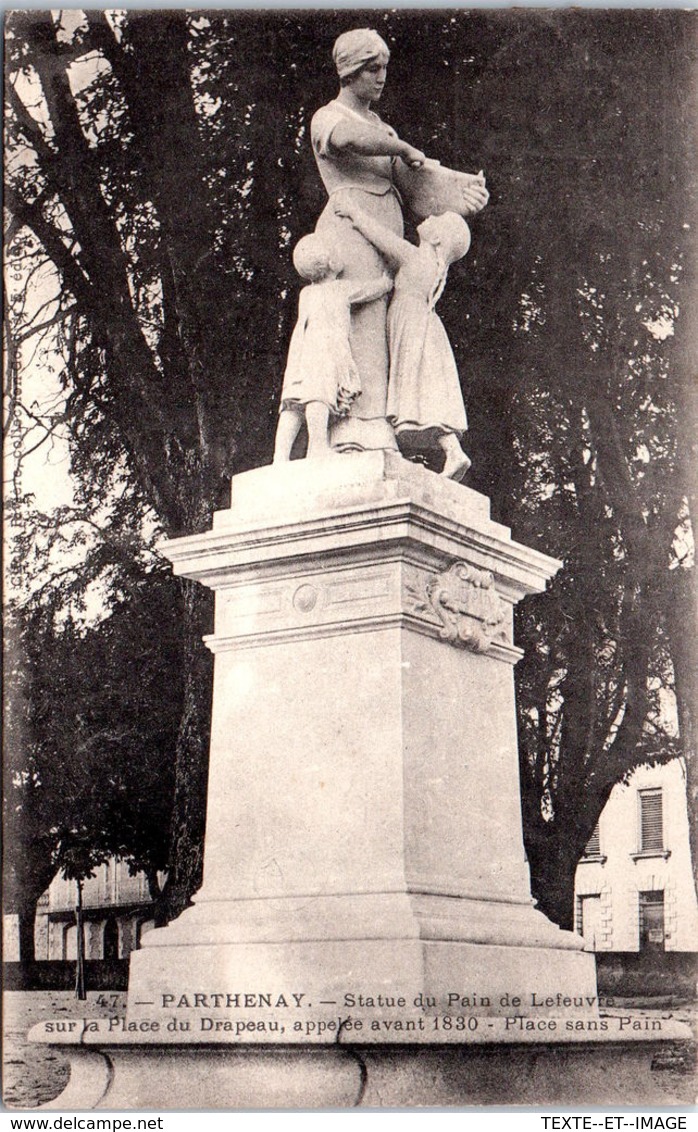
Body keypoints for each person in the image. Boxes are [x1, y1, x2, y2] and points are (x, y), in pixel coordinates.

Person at [310, 29, 488, 451]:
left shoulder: (383, 129)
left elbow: (419, 188)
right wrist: (401, 146)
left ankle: (377, 429)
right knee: (361, 321)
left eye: (384, 68)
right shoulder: (329, 116)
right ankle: (350, 428)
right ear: (350, 70)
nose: (381, 77)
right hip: (349, 228)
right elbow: (348, 140)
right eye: (373, 68)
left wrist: (461, 195)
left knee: (383, 328)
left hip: (386, 232)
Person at [333, 197, 473, 481]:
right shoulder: (430, 265)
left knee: (418, 389)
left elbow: (381, 237)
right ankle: (453, 450)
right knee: (425, 392)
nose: (428, 218)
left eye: (436, 218)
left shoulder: (416, 257)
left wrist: (354, 212)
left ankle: (454, 453)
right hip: (423, 327)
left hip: (411, 328)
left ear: (435, 237)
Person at [273, 233, 392, 462]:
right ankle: (317, 447)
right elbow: (370, 291)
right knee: (319, 398)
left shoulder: (306, 293)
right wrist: (385, 283)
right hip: (326, 351)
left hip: (301, 355)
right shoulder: (340, 289)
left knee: (293, 402)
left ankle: (280, 456)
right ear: (331, 262)